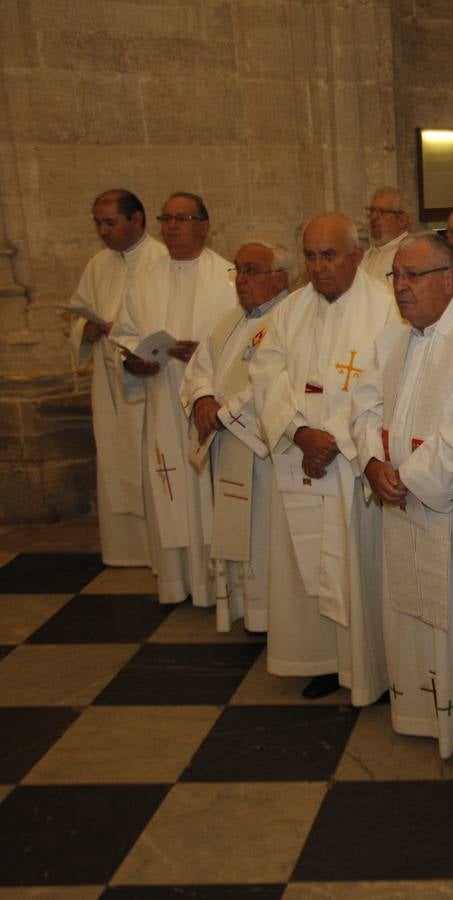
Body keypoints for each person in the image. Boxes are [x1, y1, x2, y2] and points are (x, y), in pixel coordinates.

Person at [352, 232, 453, 757]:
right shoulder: (394, 337)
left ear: (449, 279)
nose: (400, 287)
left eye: (413, 276)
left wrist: (405, 479)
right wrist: (372, 462)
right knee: (410, 610)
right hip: (402, 498)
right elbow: (364, 403)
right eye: (396, 276)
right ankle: (419, 711)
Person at [250, 212, 396, 701]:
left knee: (357, 568)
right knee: (303, 563)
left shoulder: (386, 308)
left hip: (352, 465)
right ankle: (324, 659)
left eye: (329, 255)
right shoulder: (290, 311)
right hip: (299, 458)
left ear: (356, 255)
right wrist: (298, 431)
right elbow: (265, 374)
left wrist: (332, 440)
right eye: (310, 256)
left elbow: (385, 384)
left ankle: (369, 670)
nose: (317, 267)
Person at [111, 192, 236, 607]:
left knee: (210, 493)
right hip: (163, 399)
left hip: (212, 404)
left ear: (204, 225)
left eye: (183, 218)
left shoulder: (229, 278)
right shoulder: (144, 279)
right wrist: (135, 363)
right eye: (167, 218)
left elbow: (245, 342)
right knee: (171, 489)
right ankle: (179, 582)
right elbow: (124, 337)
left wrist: (206, 351)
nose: (173, 226)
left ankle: (220, 588)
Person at [179, 240, 292, 632]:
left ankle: (271, 619)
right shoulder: (229, 321)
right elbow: (200, 368)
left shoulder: (289, 319)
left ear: (280, 278)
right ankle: (245, 609)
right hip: (226, 443)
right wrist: (203, 399)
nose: (241, 280)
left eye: (251, 271)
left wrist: (223, 412)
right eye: (238, 271)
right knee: (237, 528)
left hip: (260, 453)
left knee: (264, 535)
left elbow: (274, 380)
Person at [69, 188, 165, 567]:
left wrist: (126, 332)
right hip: (108, 385)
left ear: (136, 219)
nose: (103, 231)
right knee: (114, 453)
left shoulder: (160, 261)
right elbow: (80, 314)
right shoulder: (98, 264)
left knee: (149, 460)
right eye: (98, 223)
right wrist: (86, 330)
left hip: (145, 380)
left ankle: (156, 551)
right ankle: (124, 549)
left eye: (110, 222)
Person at [360, 187, 412, 287]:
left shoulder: (411, 253)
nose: (374, 217)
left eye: (382, 212)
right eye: (371, 211)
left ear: (402, 220)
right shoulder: (365, 257)